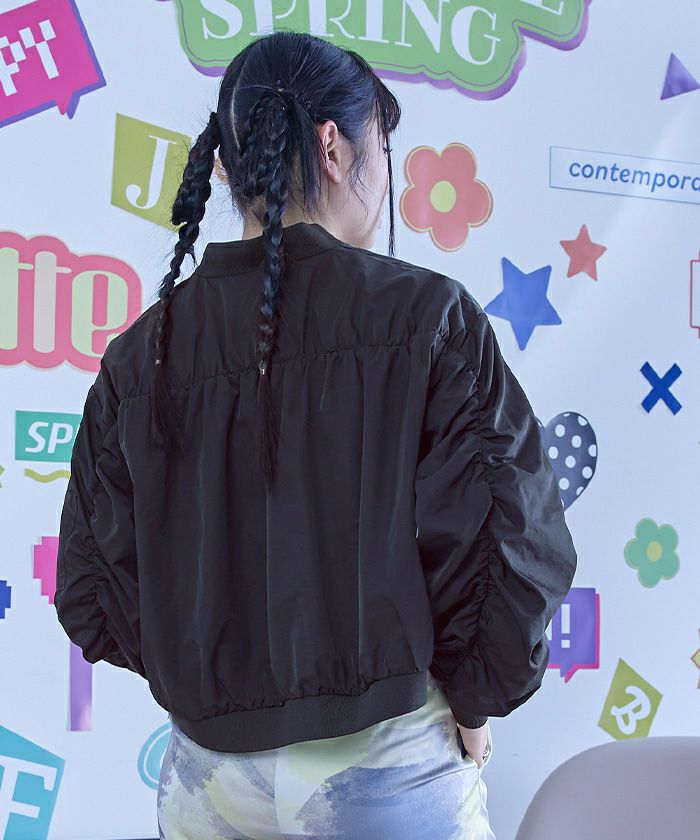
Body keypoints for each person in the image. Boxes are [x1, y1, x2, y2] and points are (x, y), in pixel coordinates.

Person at [54, 30, 577, 840]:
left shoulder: (140, 355)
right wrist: (474, 700)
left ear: (225, 167)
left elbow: (92, 585)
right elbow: (511, 542)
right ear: (334, 147)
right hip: (388, 765)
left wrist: (212, 684)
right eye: (383, 149)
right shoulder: (428, 318)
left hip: (207, 779)